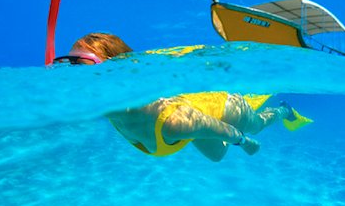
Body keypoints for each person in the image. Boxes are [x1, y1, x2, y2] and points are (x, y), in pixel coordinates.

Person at [54, 32, 311, 162]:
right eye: (68, 66)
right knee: (216, 157)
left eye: (83, 66)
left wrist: (244, 141)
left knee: (256, 124)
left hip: (221, 110)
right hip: (190, 121)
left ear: (119, 71)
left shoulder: (172, 121)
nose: (75, 79)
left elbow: (219, 127)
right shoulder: (112, 108)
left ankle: (282, 111)